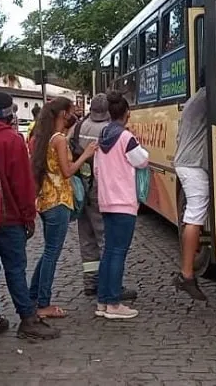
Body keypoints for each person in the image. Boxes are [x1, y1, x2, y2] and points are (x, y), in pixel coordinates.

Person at [0, 93, 60, 340]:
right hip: (10, 217)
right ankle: (27, 318)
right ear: (9, 114)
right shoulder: (12, 140)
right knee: (15, 270)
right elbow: (22, 183)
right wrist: (28, 216)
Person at [30, 97, 97, 319]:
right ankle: (43, 303)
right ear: (63, 114)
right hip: (59, 200)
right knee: (52, 253)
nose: (74, 114)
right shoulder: (58, 139)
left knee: (48, 251)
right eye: (71, 111)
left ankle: (34, 296)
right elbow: (67, 171)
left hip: (46, 199)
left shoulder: (46, 136)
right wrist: (86, 154)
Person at [68, 93, 137, 300]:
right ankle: (111, 286)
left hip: (80, 189)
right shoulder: (110, 131)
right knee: (107, 240)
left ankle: (91, 281)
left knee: (86, 237)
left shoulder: (78, 127)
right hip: (101, 190)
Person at [172, 78, 216, 301]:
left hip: (194, 163)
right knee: (195, 214)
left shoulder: (199, 96)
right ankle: (186, 274)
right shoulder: (209, 96)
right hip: (193, 164)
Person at [93, 91, 149, 320]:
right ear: (126, 113)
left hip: (106, 201)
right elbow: (142, 160)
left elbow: (96, 169)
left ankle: (103, 301)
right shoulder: (126, 138)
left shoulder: (103, 136)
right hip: (124, 202)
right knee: (118, 252)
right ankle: (114, 303)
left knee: (108, 251)